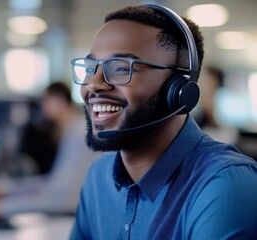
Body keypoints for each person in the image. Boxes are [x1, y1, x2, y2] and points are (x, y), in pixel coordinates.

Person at [69, 4, 257, 240]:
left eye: (120, 68)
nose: (93, 84)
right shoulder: (99, 176)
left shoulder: (223, 185)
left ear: (178, 90)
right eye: (90, 68)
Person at [0, 82, 97, 219]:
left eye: (46, 100)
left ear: (59, 100)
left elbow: (63, 197)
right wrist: (2, 190)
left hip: (73, 217)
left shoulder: (80, 132)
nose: (43, 106)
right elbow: (53, 184)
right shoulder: (72, 129)